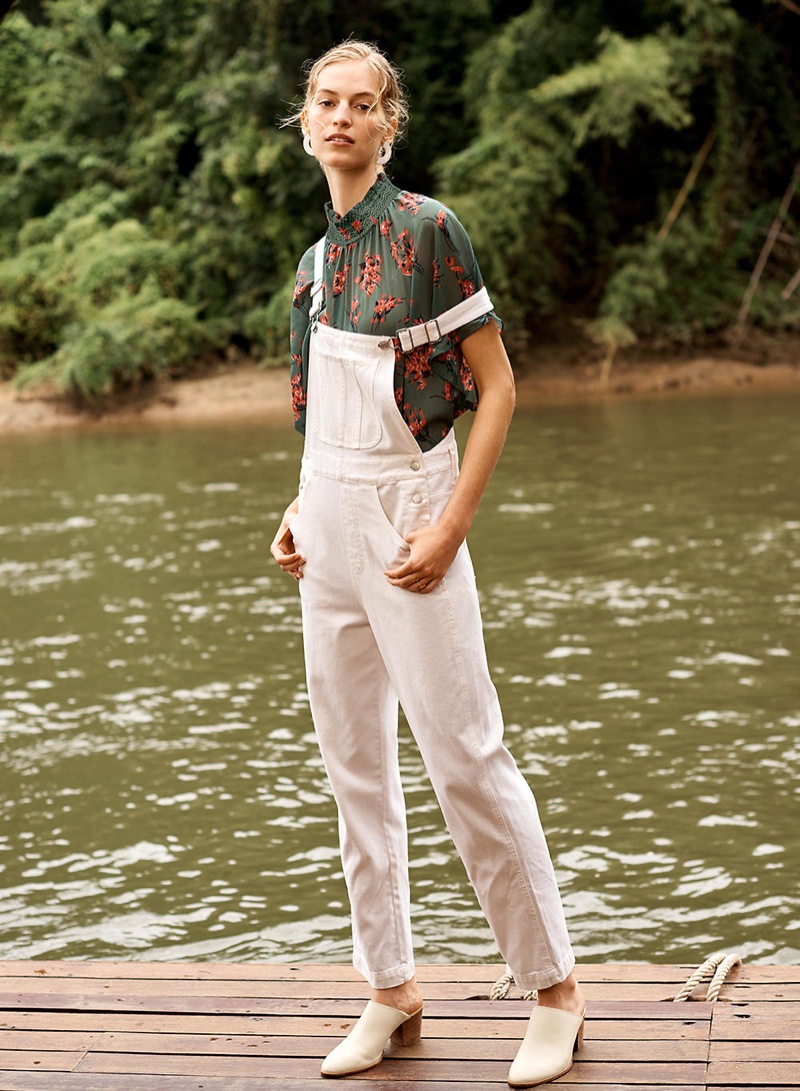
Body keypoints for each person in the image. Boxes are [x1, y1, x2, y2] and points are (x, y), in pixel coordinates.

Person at [270, 40, 585, 1087]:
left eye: (363, 104)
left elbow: (495, 388)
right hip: (327, 528)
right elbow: (325, 414)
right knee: (353, 764)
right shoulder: (314, 265)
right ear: (304, 118)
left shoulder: (427, 233)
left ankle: (552, 991)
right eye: (326, 101)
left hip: (413, 519)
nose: (342, 117)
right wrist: (297, 508)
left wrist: (449, 524)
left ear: (388, 123)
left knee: (464, 757)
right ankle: (390, 989)